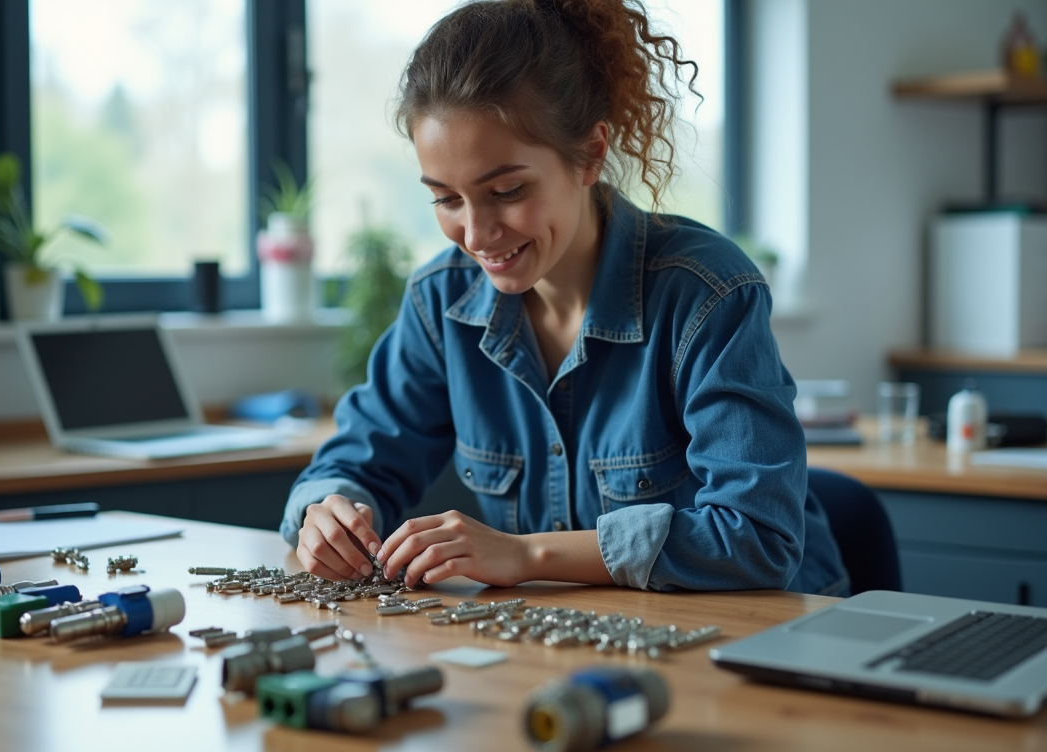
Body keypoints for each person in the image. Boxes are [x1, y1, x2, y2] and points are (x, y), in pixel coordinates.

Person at [279, 0, 849, 596]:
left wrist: (526, 555)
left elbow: (758, 538)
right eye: (446, 199)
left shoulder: (705, 294)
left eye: (506, 190)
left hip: (760, 637)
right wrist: (326, 512)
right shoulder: (440, 300)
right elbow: (354, 463)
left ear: (591, 153)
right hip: (576, 646)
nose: (476, 235)